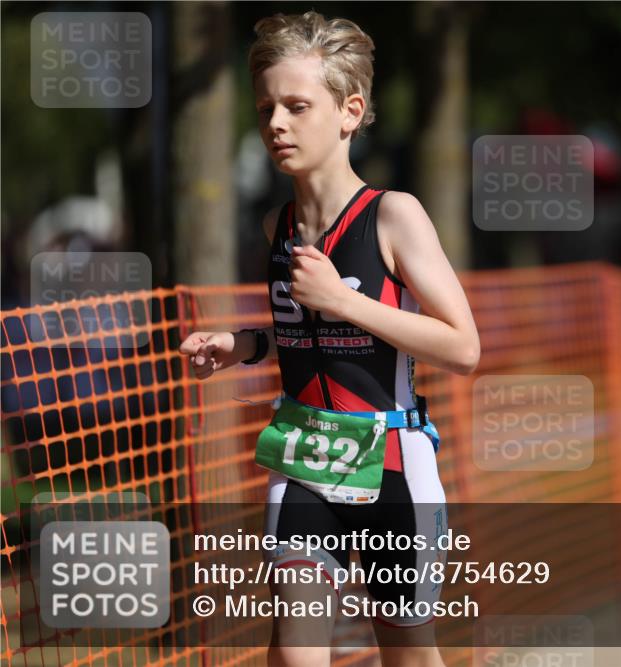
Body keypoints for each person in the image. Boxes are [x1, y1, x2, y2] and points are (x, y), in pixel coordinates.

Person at [178, 11, 480, 667]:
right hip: (304, 459)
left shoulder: (394, 215)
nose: (276, 124)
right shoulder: (277, 226)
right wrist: (243, 345)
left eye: (296, 106)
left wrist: (344, 299)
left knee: (406, 651)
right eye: (265, 109)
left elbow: (463, 348)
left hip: (392, 464)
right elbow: (308, 333)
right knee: (294, 651)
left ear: (350, 112)